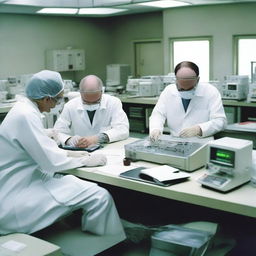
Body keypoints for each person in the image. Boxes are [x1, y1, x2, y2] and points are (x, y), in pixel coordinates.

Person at [0, 70, 125, 239]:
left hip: (24, 179)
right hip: (18, 192)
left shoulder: (22, 110)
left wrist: (67, 152)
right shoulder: (26, 115)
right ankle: (104, 244)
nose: (57, 104)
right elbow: (51, 162)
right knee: (99, 195)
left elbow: (40, 148)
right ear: (46, 99)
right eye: (57, 99)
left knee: (78, 184)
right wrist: (86, 160)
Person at [149, 61, 227, 141]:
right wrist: (156, 129)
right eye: (181, 89)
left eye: (190, 89)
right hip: (175, 141)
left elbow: (220, 121)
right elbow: (158, 114)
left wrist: (199, 129)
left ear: (198, 80)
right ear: (175, 80)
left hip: (201, 142)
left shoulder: (210, 92)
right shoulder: (169, 91)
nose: (185, 91)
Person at [54, 75, 129, 148]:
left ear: (102, 91)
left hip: (107, 149)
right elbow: (57, 132)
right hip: (79, 151)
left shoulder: (113, 103)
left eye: (96, 101)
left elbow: (123, 130)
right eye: (86, 102)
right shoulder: (70, 106)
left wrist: (97, 138)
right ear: (80, 92)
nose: (91, 105)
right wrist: (69, 140)